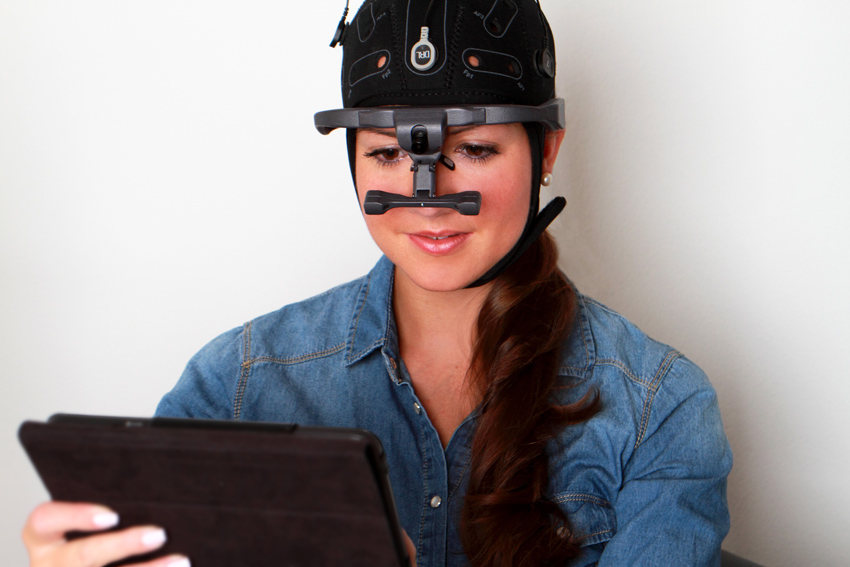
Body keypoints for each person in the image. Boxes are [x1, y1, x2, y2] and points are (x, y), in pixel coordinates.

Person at [22, 1, 732, 566]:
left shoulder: (661, 411)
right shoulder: (235, 386)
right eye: (389, 153)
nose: (429, 200)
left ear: (546, 149)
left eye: (474, 148)